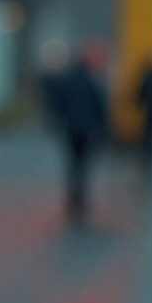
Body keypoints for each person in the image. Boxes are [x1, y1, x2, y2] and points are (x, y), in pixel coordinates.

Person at [53, 55, 108, 219]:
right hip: (86, 128)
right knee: (83, 163)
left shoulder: (67, 82)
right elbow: (99, 105)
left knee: (72, 162)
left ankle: (73, 193)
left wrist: (62, 120)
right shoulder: (90, 82)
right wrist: (101, 127)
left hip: (71, 128)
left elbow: (59, 103)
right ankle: (81, 194)